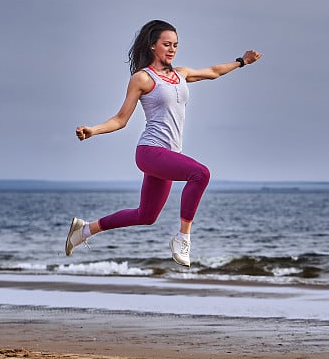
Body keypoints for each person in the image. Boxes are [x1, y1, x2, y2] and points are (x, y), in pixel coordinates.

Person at [66, 20, 262, 266]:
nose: (172, 49)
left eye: (175, 45)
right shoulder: (143, 78)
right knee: (200, 174)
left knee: (146, 215)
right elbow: (120, 119)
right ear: (152, 46)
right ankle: (183, 238)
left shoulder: (181, 74)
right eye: (166, 44)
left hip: (168, 156)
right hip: (150, 151)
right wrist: (92, 130)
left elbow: (213, 72)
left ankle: (83, 231)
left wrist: (242, 61)